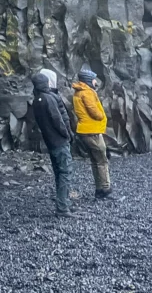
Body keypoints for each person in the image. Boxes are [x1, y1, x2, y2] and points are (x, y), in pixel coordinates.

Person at [31, 69, 75, 217]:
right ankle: (63, 207)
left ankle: (64, 203)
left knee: (59, 172)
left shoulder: (37, 99)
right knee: (65, 172)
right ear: (46, 83)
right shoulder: (49, 98)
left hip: (50, 141)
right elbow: (58, 120)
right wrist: (67, 134)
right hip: (59, 140)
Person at [72, 68, 112, 199]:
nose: (96, 81)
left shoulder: (78, 92)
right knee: (102, 160)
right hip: (92, 131)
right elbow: (94, 111)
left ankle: (99, 189)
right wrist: (101, 115)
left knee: (95, 161)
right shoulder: (87, 92)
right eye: (94, 79)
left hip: (84, 131)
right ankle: (105, 189)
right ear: (89, 80)